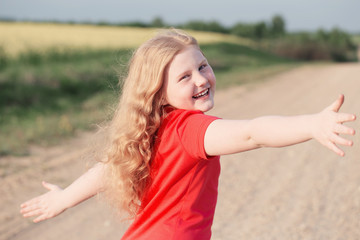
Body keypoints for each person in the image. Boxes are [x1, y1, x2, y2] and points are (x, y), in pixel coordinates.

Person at [20, 29, 356, 240]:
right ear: (158, 91)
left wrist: (64, 198)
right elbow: (253, 133)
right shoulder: (190, 129)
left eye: (203, 66)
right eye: (184, 77)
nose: (201, 79)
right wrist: (310, 125)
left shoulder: (150, 128)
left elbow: (109, 169)